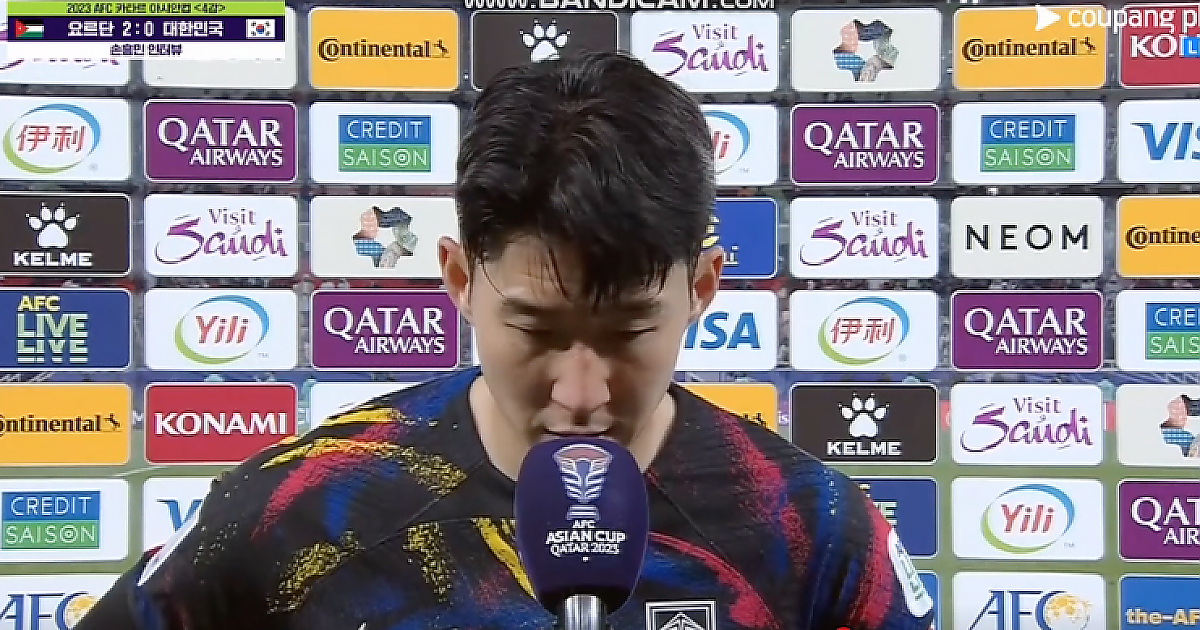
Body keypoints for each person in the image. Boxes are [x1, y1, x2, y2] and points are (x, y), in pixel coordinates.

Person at [76, 52, 935, 630]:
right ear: (458, 278)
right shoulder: (299, 506)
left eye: (630, 330)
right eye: (534, 328)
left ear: (703, 288)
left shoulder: (815, 531)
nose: (581, 394)